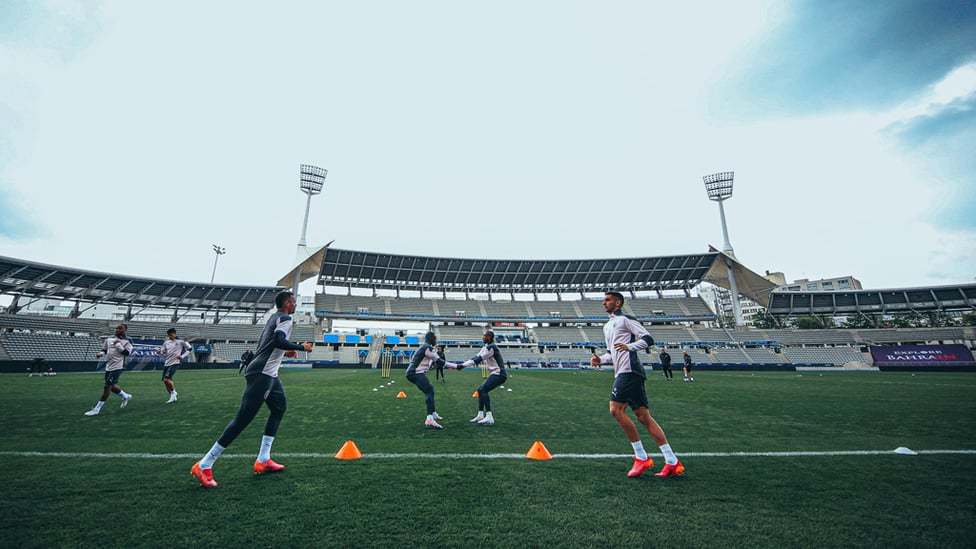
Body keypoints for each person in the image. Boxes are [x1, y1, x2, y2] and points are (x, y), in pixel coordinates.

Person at [190, 291, 313, 488]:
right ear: (287, 303)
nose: (296, 305)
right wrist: (301, 347)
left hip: (269, 373)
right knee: (243, 419)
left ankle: (263, 459)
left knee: (279, 408)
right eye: (294, 302)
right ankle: (205, 464)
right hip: (262, 373)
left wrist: (285, 351)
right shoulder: (285, 318)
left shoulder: (275, 317)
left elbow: (273, 342)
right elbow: (279, 340)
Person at [590, 291, 684, 478]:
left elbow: (648, 339)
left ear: (617, 303)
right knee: (643, 417)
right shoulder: (608, 326)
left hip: (630, 371)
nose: (604, 303)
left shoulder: (625, 320)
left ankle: (641, 457)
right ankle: (672, 461)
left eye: (607, 300)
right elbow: (613, 352)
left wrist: (630, 347)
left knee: (616, 410)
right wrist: (601, 359)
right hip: (625, 372)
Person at [405, 332, 462, 429]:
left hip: (414, 372)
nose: (436, 340)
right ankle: (430, 419)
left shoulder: (424, 347)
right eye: (435, 338)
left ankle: (433, 413)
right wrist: (456, 366)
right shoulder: (428, 348)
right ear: (431, 339)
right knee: (428, 391)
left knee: (430, 389)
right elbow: (440, 361)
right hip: (415, 372)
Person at [84, 324, 134, 416]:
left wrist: (118, 345)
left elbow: (127, 353)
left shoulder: (128, 340)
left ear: (125, 330)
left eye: (120, 328)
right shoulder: (109, 339)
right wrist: (101, 354)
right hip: (109, 366)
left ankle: (96, 409)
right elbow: (104, 350)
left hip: (119, 366)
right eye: (117, 328)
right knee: (111, 386)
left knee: (107, 386)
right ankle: (125, 396)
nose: (117, 330)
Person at [461, 331, 507, 426]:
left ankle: (489, 417)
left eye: (485, 336)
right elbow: (476, 357)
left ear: (489, 337)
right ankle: (480, 415)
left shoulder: (491, 347)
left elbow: (478, 359)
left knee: (483, 390)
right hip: (495, 373)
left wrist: (461, 366)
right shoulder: (486, 347)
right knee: (480, 390)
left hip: (499, 373)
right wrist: (462, 365)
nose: (483, 337)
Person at [156, 328, 191, 403]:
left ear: (175, 334)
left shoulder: (181, 341)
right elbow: (164, 351)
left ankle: (174, 392)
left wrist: (182, 356)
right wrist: (160, 352)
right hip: (167, 363)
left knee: (166, 379)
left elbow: (189, 348)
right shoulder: (166, 342)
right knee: (165, 381)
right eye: (169, 335)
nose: (170, 336)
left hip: (175, 362)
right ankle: (172, 396)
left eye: (171, 335)